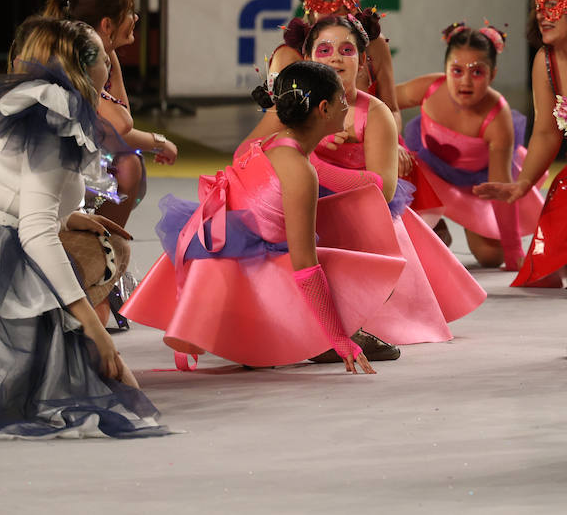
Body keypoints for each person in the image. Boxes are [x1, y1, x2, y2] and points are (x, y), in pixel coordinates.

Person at [0, 16, 166, 438]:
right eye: (105, 57)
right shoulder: (54, 119)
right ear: (86, 68)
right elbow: (34, 231)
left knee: (106, 246)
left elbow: (20, 194)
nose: (111, 62)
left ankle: (42, 350)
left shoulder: (48, 106)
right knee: (69, 387)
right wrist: (91, 325)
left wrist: (70, 217)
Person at [122, 61, 405, 371]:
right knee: (363, 271)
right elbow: (305, 267)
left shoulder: (272, 143)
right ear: (324, 108)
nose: (347, 107)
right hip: (247, 272)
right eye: (342, 101)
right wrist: (338, 339)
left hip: (232, 252)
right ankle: (302, 337)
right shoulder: (299, 171)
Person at [258, 15, 485, 346]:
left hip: (359, 218)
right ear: (307, 59)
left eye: (346, 50)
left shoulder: (374, 112)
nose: (335, 57)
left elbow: (384, 186)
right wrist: (305, 152)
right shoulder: (293, 104)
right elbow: (256, 152)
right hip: (301, 210)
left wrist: (315, 165)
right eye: (324, 49)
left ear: (363, 61)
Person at [474, 0, 567, 289]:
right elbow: (547, 133)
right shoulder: (544, 60)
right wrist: (522, 185)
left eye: (554, 5)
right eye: (538, 6)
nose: (542, 15)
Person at [400, 23, 544, 270]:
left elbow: (500, 184)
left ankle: (458, 222)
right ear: (445, 70)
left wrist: (513, 251)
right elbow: (380, 103)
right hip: (428, 175)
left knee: (490, 256)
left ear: (493, 75)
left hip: (476, 187)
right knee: (399, 167)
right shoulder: (429, 89)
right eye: (456, 71)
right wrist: (391, 143)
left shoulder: (497, 116)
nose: (465, 81)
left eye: (477, 72)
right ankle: (438, 228)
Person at [44, 0, 178, 226]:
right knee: (129, 164)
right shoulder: (76, 57)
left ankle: (105, 251)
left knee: (127, 160)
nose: (136, 18)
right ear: (107, 25)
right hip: (50, 166)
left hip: (72, 161)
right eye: (129, 11)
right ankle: (104, 251)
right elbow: (121, 126)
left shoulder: (105, 54)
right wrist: (159, 143)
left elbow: (120, 127)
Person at [268, 0, 399, 117]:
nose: (340, 6)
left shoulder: (375, 45)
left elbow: (392, 110)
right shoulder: (288, 57)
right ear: (307, 3)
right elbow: (279, 123)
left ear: (363, 59)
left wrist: (378, 135)